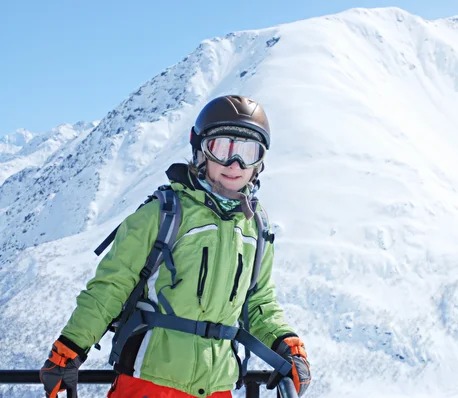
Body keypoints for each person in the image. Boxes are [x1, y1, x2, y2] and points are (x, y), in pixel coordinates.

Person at [39, 95, 312, 398]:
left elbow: (259, 301)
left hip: (217, 386)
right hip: (148, 382)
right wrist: (71, 347)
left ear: (259, 162)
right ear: (201, 152)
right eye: (222, 148)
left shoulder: (256, 227)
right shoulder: (162, 214)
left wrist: (287, 344)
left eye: (248, 152)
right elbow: (110, 287)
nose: (235, 164)